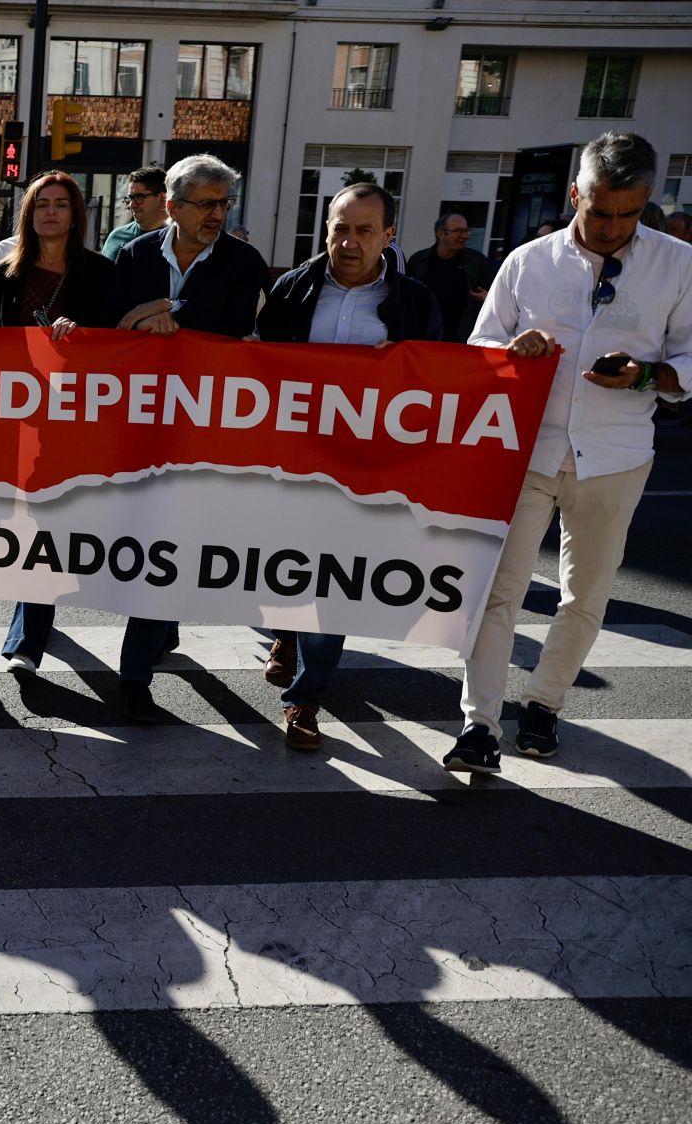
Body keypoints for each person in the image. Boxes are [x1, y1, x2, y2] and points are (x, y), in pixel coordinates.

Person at [444, 132, 692, 773]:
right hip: (526, 452)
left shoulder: (678, 264)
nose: (613, 228)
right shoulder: (527, 261)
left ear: (647, 203)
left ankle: (544, 706)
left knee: (585, 597)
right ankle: (478, 725)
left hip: (617, 457)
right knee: (500, 591)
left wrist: (644, 374)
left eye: (630, 214)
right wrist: (509, 354)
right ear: (575, 193)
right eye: (601, 210)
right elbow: (478, 349)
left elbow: (691, 361)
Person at [255, 183, 444, 750]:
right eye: (340, 227)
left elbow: (437, 385)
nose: (349, 241)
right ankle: (287, 633)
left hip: (367, 471)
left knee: (337, 580)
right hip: (296, 462)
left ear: (388, 236)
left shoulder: (414, 302)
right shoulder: (292, 290)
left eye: (364, 230)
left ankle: (304, 700)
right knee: (286, 564)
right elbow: (261, 370)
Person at [105, 153, 271, 724]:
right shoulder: (131, 254)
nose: (217, 214)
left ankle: (132, 679)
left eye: (223, 204)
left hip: (204, 430)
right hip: (140, 425)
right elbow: (114, 325)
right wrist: (146, 319)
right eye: (205, 204)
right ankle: (159, 629)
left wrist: (160, 315)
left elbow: (221, 328)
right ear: (172, 207)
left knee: (166, 549)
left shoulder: (245, 261)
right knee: (150, 549)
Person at [0, 170, 121, 677]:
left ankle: (26, 638)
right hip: (11, 416)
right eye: (41, 203)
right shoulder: (8, 272)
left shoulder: (101, 274)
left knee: (43, 527)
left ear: (75, 215)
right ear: (29, 213)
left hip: (67, 421)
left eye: (61, 205)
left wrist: (84, 336)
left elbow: (118, 348)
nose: (50, 212)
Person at [406, 212, 495, 342]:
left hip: (460, 340)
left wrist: (488, 298)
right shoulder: (418, 260)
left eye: (466, 231)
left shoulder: (477, 262)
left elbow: (492, 297)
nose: (464, 236)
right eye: (458, 231)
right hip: (422, 337)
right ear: (441, 234)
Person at [100, 164, 169, 261]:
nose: (132, 205)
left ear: (162, 198)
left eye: (139, 197)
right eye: (130, 198)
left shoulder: (177, 239)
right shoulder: (117, 237)